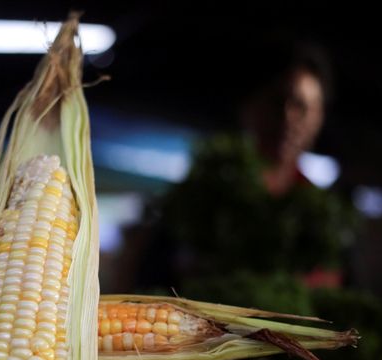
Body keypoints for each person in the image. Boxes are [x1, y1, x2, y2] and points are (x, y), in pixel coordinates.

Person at [134, 37, 355, 311]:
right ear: (248, 106)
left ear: (319, 116)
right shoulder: (201, 198)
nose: (288, 117)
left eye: (302, 106)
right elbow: (151, 280)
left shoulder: (325, 218)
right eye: (276, 101)